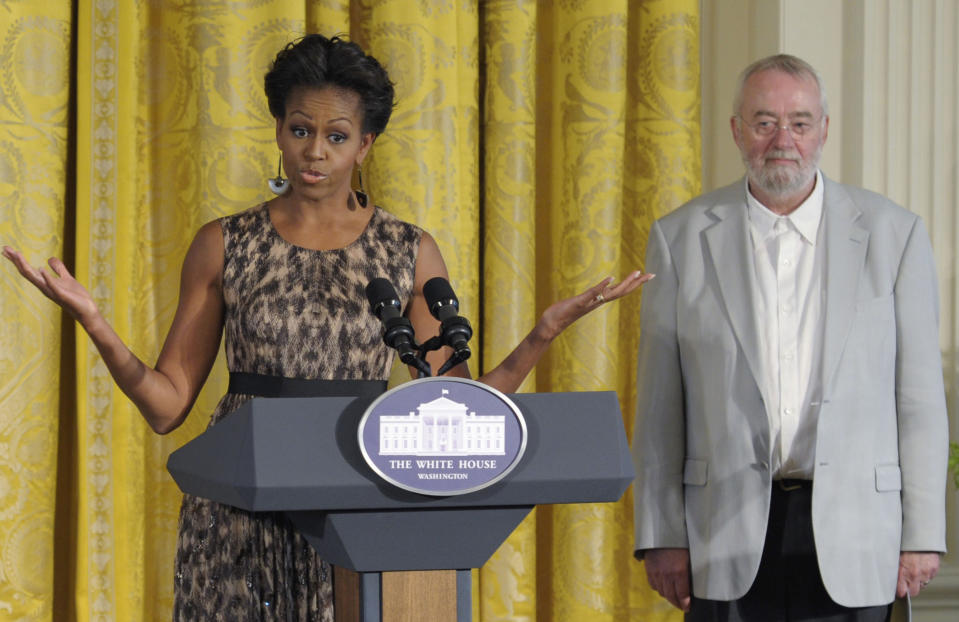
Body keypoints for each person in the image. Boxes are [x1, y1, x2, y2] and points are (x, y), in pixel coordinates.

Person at [3, 34, 651, 621]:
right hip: (237, 510)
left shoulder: (407, 250)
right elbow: (167, 407)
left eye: (336, 136)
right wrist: (96, 325)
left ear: (365, 144)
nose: (315, 151)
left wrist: (541, 334)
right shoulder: (223, 243)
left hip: (359, 504)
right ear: (279, 130)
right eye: (299, 129)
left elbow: (457, 405)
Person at [631, 53, 948, 621]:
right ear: (736, 130)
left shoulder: (895, 236)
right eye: (764, 122)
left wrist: (923, 533)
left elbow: (920, 402)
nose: (783, 140)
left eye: (800, 123)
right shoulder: (679, 238)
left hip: (858, 537)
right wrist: (661, 534)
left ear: (823, 130)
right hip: (719, 536)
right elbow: (660, 408)